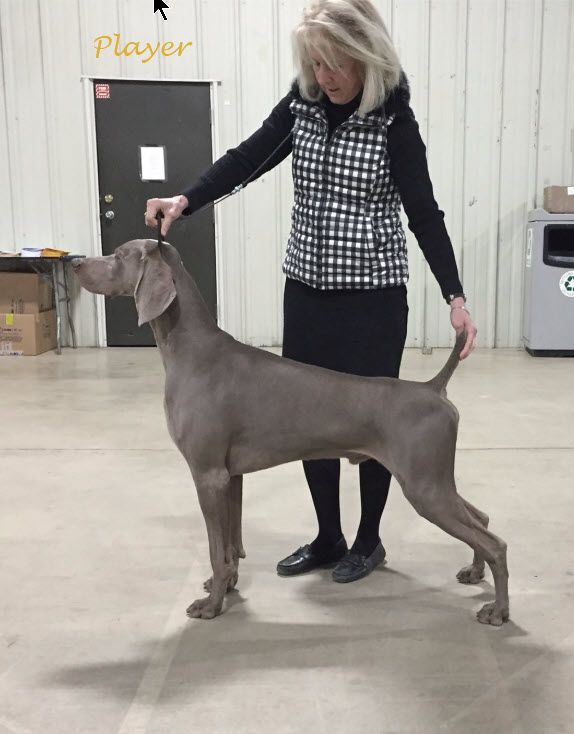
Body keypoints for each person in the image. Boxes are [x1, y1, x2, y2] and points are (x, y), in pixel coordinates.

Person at [145, 0, 477, 583]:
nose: (325, 77)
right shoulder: (302, 105)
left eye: (336, 63)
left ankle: (368, 541)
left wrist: (455, 295)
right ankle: (329, 536)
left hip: (372, 298)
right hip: (307, 292)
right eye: (316, 63)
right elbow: (247, 158)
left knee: (374, 425)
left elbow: (424, 213)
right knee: (306, 423)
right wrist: (186, 200)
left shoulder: (394, 123)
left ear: (366, 56)